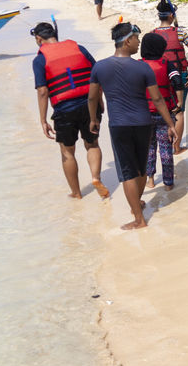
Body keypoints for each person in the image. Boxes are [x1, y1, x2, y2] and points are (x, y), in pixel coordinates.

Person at [87, 22, 178, 230]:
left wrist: (93, 119)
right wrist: (170, 123)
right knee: (141, 167)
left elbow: (92, 98)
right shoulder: (142, 67)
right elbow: (157, 100)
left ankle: (139, 219)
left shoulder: (100, 67)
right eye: (136, 38)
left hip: (120, 125)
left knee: (128, 171)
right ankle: (137, 204)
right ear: (127, 41)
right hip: (143, 122)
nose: (139, 43)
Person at [31, 21, 110, 200]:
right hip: (89, 105)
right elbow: (96, 73)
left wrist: (43, 120)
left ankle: (76, 193)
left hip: (64, 109)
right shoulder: (79, 48)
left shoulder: (40, 59)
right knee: (92, 144)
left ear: (38, 38)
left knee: (67, 152)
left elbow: (43, 91)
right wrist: (100, 99)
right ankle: (96, 178)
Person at [152, 0, 188, 149]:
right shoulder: (180, 33)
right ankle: (177, 148)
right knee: (179, 110)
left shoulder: (152, 35)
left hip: (160, 77)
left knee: (163, 108)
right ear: (172, 16)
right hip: (181, 75)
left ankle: (164, 145)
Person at [139, 32, 179, 191]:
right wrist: (179, 102)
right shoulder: (167, 64)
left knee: (149, 148)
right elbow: (177, 81)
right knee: (165, 149)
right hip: (164, 114)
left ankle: (150, 180)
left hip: (144, 115)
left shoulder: (138, 65)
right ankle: (169, 184)